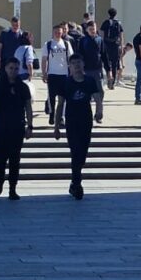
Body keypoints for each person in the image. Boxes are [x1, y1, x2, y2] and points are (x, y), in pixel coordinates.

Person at [54, 53, 102, 200]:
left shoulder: (89, 81)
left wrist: (99, 111)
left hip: (86, 120)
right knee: (75, 152)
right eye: (73, 63)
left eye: (79, 62)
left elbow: (97, 98)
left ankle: (74, 183)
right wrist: (56, 126)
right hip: (72, 121)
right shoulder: (66, 83)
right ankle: (77, 184)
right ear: (69, 66)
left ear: (83, 64)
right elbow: (60, 104)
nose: (76, 65)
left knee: (83, 153)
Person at [0, 57, 33, 200]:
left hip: (18, 126)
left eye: (15, 68)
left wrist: (30, 126)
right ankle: (0, 180)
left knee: (15, 159)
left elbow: (28, 107)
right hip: (1, 126)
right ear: (6, 69)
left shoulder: (23, 87)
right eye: (10, 68)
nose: (13, 71)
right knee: (1, 158)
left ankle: (12, 188)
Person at [42, 23, 74, 124]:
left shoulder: (66, 44)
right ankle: (52, 115)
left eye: (59, 32)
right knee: (51, 97)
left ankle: (61, 116)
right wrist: (44, 73)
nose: (58, 34)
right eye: (56, 32)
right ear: (53, 32)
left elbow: (70, 59)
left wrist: (72, 72)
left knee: (63, 98)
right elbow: (44, 60)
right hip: (52, 74)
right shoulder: (48, 44)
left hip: (64, 74)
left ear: (62, 32)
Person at [78, 21, 106, 120]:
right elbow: (79, 55)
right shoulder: (83, 40)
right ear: (87, 30)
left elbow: (104, 55)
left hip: (98, 70)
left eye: (94, 29)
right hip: (87, 70)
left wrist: (109, 70)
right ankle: (86, 114)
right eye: (90, 29)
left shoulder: (100, 40)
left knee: (100, 92)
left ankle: (98, 113)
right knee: (87, 93)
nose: (92, 31)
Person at [101, 8, 124, 90]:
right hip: (115, 45)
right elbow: (121, 36)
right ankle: (113, 82)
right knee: (114, 64)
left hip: (107, 45)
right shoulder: (118, 23)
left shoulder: (106, 23)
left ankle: (108, 79)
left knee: (107, 64)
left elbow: (102, 35)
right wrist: (121, 46)